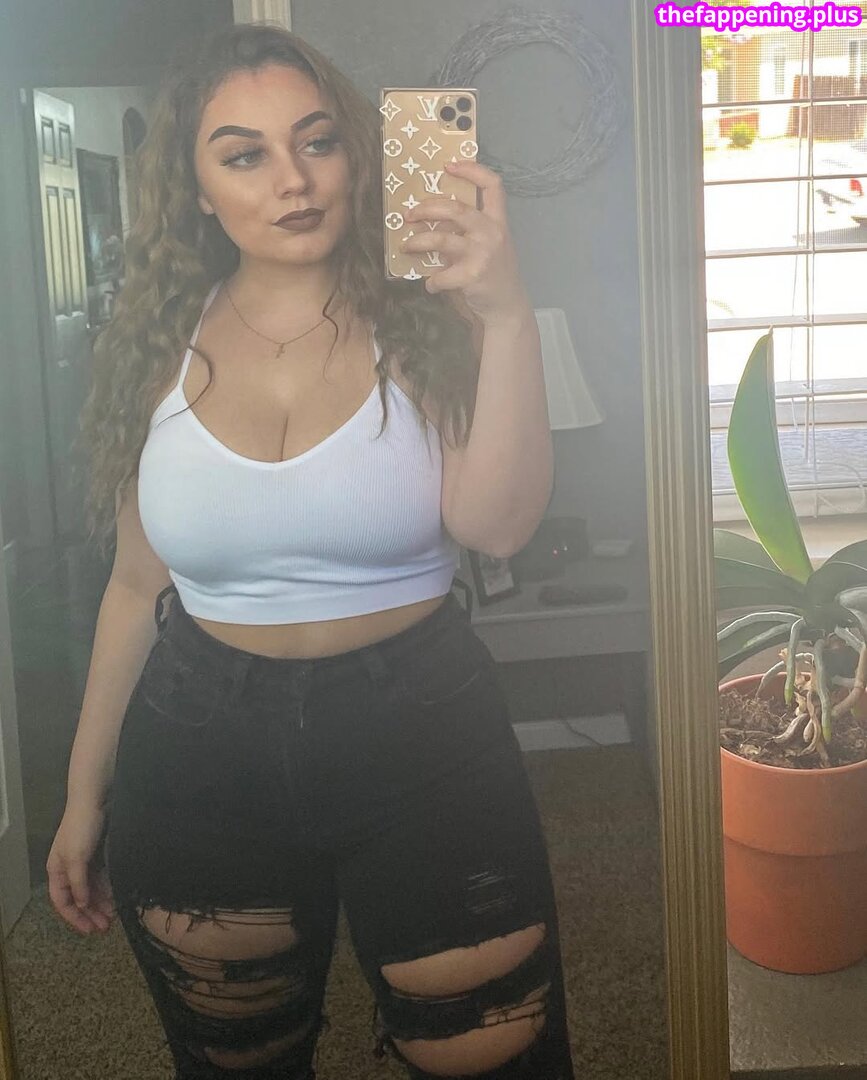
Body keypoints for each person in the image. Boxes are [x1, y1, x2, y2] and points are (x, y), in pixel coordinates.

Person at [47, 22, 574, 1080]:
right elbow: (136, 587)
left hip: (423, 736)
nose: (292, 180)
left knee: (495, 1058)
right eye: (244, 155)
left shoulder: (429, 321)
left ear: (355, 157)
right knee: (235, 1064)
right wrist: (82, 796)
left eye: (317, 142)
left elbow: (499, 526)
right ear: (197, 190)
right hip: (198, 749)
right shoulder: (151, 346)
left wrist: (506, 315)